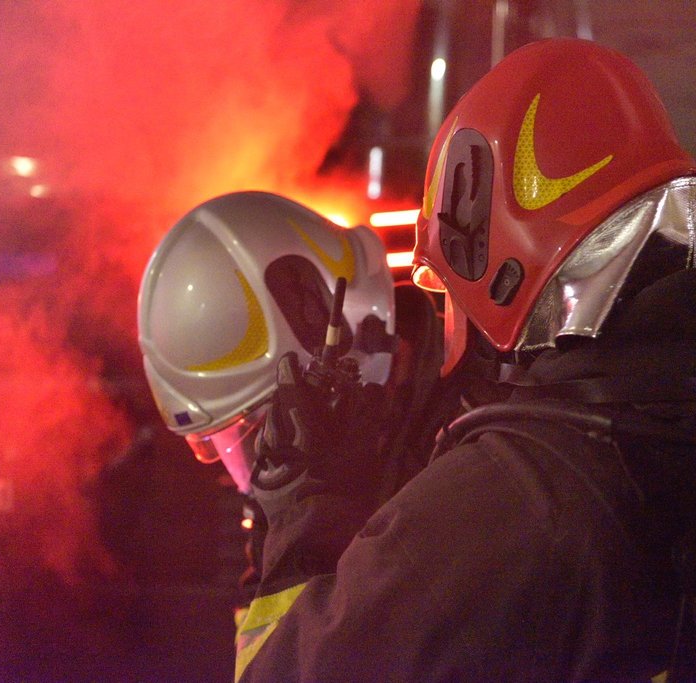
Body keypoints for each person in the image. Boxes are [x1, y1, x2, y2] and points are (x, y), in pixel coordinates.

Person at [239, 38, 696, 683]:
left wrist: (305, 510)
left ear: (494, 260)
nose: (448, 322)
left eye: (448, 294)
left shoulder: (500, 506)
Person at [137, 190, 465, 611]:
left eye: (261, 426)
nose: (261, 470)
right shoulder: (302, 514)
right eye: (229, 447)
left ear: (341, 353)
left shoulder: (469, 464)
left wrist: (307, 550)